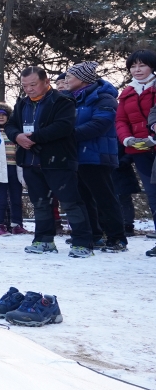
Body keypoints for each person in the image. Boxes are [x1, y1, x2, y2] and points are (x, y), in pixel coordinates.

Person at [5, 66, 94, 257]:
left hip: (58, 160)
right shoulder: (22, 104)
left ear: (46, 82)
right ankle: (43, 240)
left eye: (33, 84)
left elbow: (63, 126)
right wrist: (17, 136)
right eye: (25, 85)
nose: (28, 89)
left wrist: (34, 137)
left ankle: (82, 242)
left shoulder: (62, 100)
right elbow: (11, 125)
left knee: (71, 202)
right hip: (30, 161)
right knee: (40, 203)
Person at [64, 61, 127, 252]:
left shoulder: (104, 97)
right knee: (83, 198)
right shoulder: (68, 99)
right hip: (75, 156)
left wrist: (66, 136)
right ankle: (94, 234)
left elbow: (101, 123)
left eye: (69, 76)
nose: (65, 80)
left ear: (83, 79)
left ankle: (117, 238)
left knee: (105, 198)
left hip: (97, 156)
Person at [116, 49, 156, 235]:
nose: (137, 70)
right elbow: (121, 120)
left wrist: (152, 138)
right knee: (152, 194)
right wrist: (126, 139)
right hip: (138, 149)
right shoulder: (128, 91)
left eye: (142, 65)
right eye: (133, 66)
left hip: (153, 143)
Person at [0, 102, 25, 235]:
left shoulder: (14, 132)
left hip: (15, 168)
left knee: (16, 198)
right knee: (1, 199)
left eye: (4, 115)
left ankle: (16, 224)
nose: (1, 117)